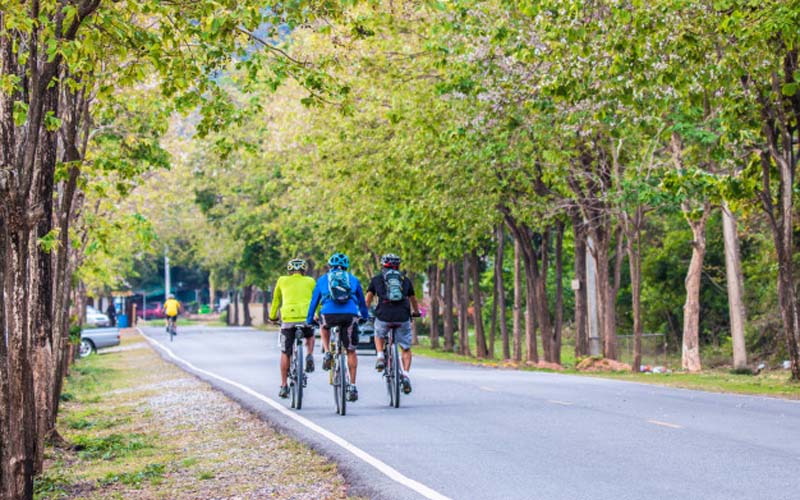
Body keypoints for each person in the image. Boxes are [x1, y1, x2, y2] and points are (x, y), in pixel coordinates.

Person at [306, 252, 369, 402]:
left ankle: (327, 351)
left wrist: (309, 319)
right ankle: (352, 386)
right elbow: (362, 302)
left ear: (330, 266)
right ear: (346, 266)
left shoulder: (322, 279)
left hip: (329, 314)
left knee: (324, 325)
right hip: (349, 315)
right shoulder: (353, 279)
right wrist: (364, 317)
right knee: (351, 351)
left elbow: (314, 302)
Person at [365, 253, 421, 395]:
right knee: (406, 348)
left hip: (383, 315)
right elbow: (413, 300)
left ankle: (380, 356)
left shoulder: (377, 279)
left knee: (379, 334)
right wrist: (416, 312)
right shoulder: (405, 280)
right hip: (402, 316)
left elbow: (368, 300)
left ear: (383, 265)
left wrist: (364, 312)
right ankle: (406, 375)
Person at [269, 258, 317, 399]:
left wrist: (273, 317)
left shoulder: (282, 280)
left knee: (285, 352)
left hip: (288, 319)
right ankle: (309, 354)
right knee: (310, 334)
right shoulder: (310, 281)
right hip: (306, 317)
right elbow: (317, 300)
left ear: (289, 271)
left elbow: (276, 300)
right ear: (304, 270)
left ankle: (284, 385)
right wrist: (317, 314)